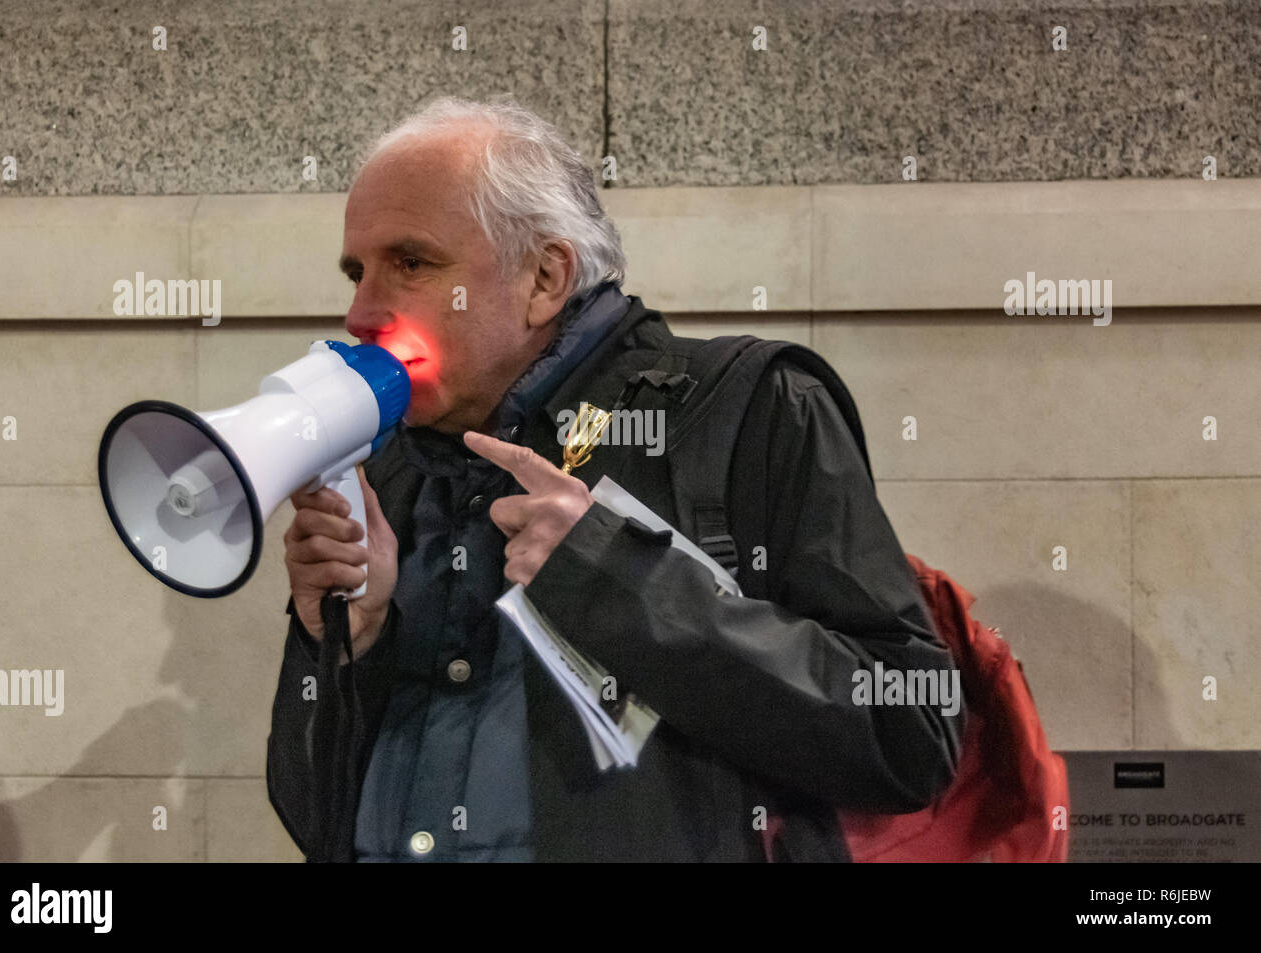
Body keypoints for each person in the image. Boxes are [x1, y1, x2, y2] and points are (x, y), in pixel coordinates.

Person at [266, 95, 963, 862]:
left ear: (545, 277)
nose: (361, 310)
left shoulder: (748, 409)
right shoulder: (392, 469)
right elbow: (313, 818)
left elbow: (913, 732)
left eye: (411, 263)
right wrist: (343, 646)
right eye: (356, 272)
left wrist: (617, 580)